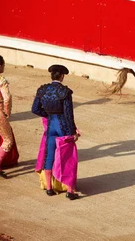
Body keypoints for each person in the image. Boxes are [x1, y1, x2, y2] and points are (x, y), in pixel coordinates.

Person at [32, 65, 81, 200]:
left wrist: (48, 115)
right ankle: (70, 191)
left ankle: (49, 188)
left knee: (49, 156)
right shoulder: (65, 92)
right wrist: (73, 130)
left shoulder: (42, 90)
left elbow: (35, 109)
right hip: (63, 126)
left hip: (51, 126)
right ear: (62, 76)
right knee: (68, 157)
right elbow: (68, 114)